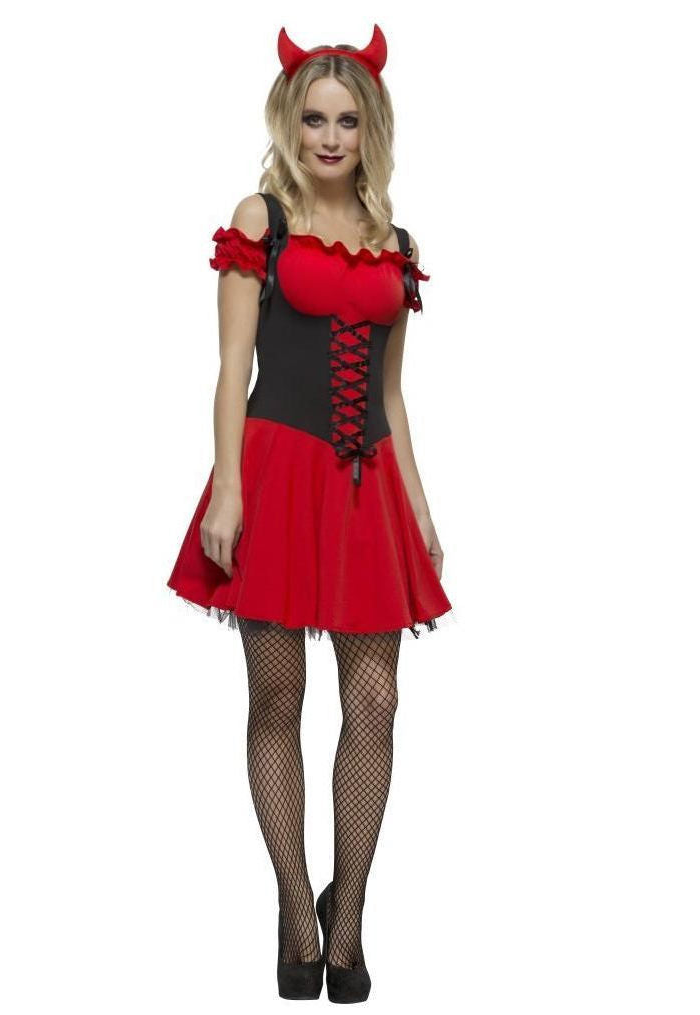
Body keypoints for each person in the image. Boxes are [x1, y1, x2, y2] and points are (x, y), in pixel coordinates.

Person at [166, 24, 453, 1002]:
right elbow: (230, 367)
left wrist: (420, 510)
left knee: (374, 702)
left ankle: (351, 915)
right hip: (276, 475)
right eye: (314, 119)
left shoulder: (395, 244)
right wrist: (228, 486)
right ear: (290, 124)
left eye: (346, 121)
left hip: (367, 486)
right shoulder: (264, 218)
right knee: (277, 698)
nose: (329, 137)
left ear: (370, 129)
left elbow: (392, 395)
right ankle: (296, 907)